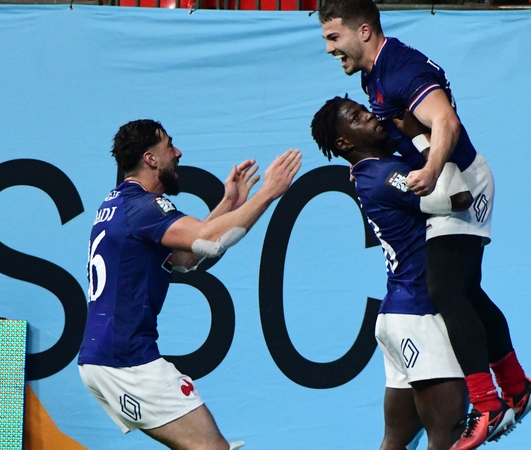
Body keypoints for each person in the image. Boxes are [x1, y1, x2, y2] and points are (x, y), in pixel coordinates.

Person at [318, 1, 530, 448]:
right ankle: (514, 387)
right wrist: (409, 151)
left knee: (448, 292)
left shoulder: (400, 71)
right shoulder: (372, 78)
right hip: (440, 204)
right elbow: (412, 130)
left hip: (460, 182)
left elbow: (445, 121)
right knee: (464, 292)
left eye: (334, 37)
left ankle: (489, 403)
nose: (329, 48)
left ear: (363, 31)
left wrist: (430, 169)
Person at [77, 119, 301, 450]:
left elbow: (184, 258)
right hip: (126, 359)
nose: (178, 152)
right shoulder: (143, 207)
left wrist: (229, 203)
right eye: (169, 145)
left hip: (103, 356)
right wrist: (269, 192)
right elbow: (209, 241)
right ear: (151, 158)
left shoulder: (116, 204)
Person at [311, 96, 474, 450]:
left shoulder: (374, 172)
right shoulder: (384, 175)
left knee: (397, 440)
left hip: (399, 316)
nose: (370, 115)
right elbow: (458, 198)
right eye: (357, 116)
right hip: (418, 315)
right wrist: (420, 136)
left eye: (364, 108)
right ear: (344, 143)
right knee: (449, 437)